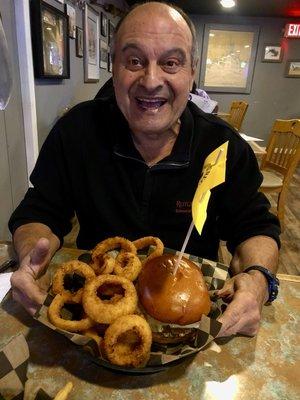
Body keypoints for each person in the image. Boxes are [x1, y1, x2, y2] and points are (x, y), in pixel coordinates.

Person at [9, 2, 280, 337]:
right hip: (96, 316)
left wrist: (257, 281)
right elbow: (39, 211)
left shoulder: (224, 147)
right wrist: (30, 258)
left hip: (191, 324)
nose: (151, 81)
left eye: (170, 62)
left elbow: (255, 228)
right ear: (114, 67)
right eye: (135, 61)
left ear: (192, 72)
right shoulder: (76, 132)